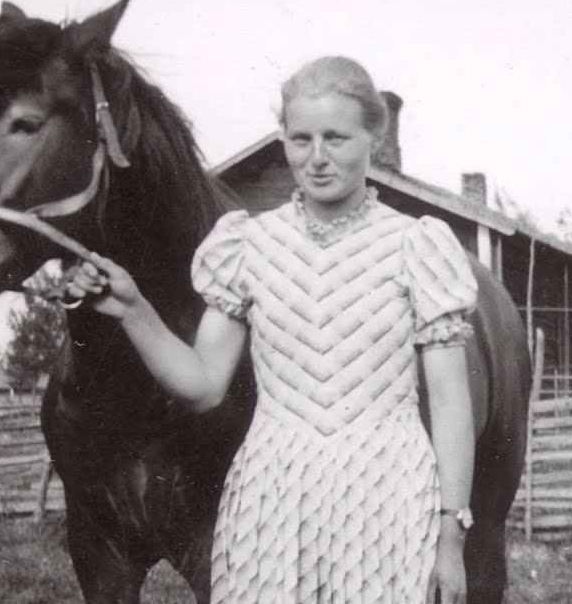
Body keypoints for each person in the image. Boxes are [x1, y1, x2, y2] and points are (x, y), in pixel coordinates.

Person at [69, 56, 477, 604]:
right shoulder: (247, 245)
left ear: (373, 139)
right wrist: (133, 309)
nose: (317, 158)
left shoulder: (416, 247)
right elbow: (203, 385)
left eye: (336, 137)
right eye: (300, 138)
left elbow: (451, 405)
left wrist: (450, 533)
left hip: (389, 499)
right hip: (273, 500)